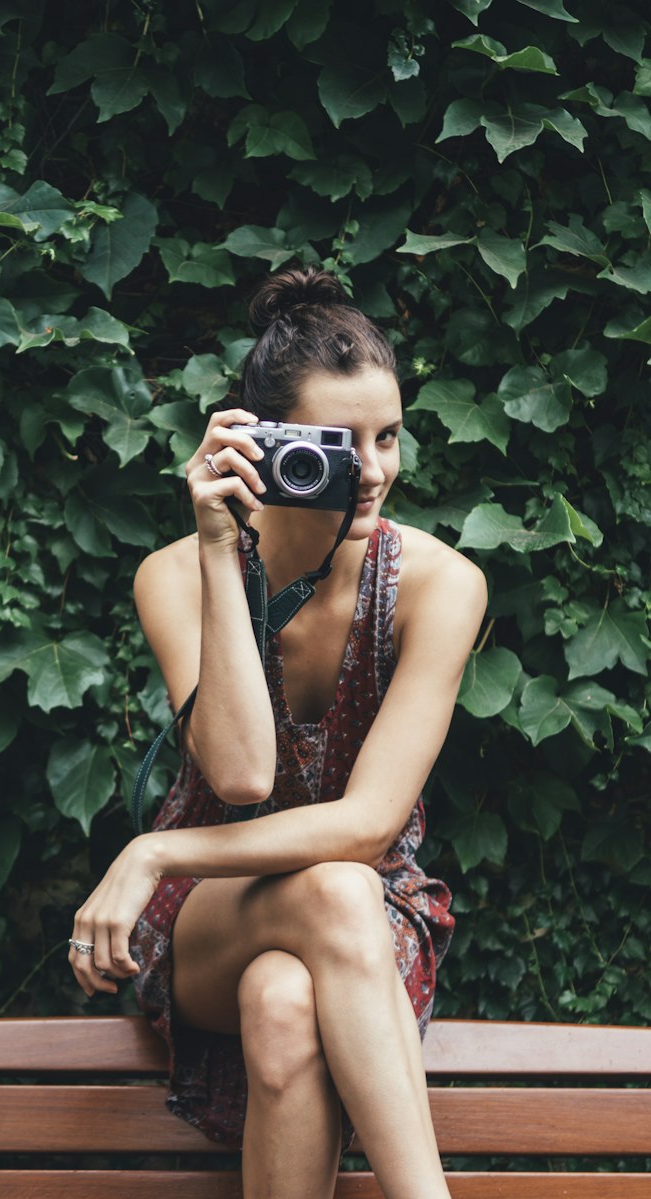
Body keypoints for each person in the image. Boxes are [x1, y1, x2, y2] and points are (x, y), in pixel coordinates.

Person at [68, 265, 487, 1199]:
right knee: (326, 901)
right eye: (337, 443)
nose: (372, 470)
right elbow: (244, 769)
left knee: (286, 994)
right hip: (213, 916)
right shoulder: (175, 574)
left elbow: (370, 829)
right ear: (262, 439)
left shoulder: (438, 585)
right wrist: (222, 546)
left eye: (389, 437)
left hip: (371, 922)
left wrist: (151, 850)